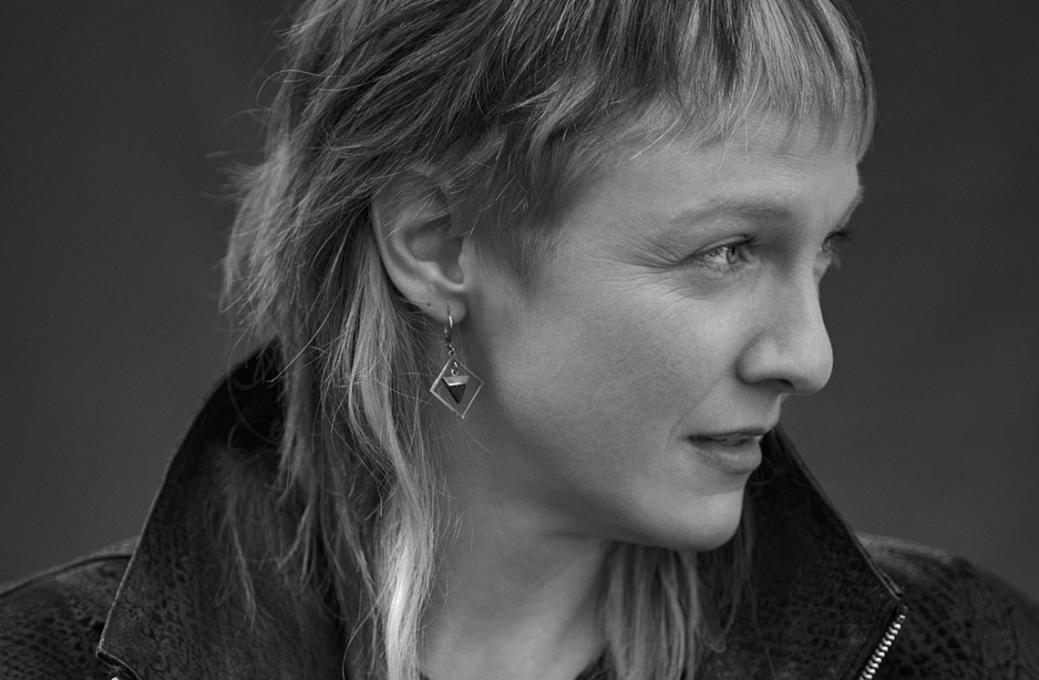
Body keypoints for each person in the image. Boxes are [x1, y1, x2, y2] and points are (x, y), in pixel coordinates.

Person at [2, 0, 1038, 678]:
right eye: (728, 249)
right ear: (438, 242)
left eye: (823, 252)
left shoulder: (957, 654)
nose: (807, 357)